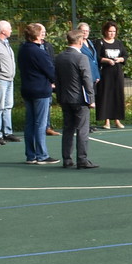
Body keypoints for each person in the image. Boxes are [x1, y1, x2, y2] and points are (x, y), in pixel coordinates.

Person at [54, 27, 98, 169]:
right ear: (79, 41)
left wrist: (59, 97)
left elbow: (57, 79)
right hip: (79, 99)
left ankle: (67, 159)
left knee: (68, 129)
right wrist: (91, 99)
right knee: (82, 129)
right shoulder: (81, 57)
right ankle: (82, 159)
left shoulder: (59, 57)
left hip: (65, 98)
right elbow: (87, 78)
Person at [17, 22, 56, 163]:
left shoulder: (22, 49)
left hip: (27, 89)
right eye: (42, 32)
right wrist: (54, 81)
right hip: (40, 90)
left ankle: (31, 155)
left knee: (30, 123)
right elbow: (50, 70)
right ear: (38, 35)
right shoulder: (39, 52)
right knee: (40, 123)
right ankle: (42, 155)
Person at [0, 20, 18, 145]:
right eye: (9, 28)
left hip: (9, 79)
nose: (11, 30)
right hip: (0, 79)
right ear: (3, 31)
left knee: (8, 106)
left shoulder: (6, 43)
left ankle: (8, 132)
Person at [95, 22, 127, 129]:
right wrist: (107, 60)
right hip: (105, 73)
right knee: (105, 95)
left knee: (117, 95)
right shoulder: (99, 43)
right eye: (110, 31)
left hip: (117, 72)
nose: (112, 33)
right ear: (105, 31)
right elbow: (97, 57)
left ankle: (117, 120)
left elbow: (125, 56)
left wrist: (120, 59)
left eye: (114, 31)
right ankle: (106, 121)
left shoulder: (118, 43)